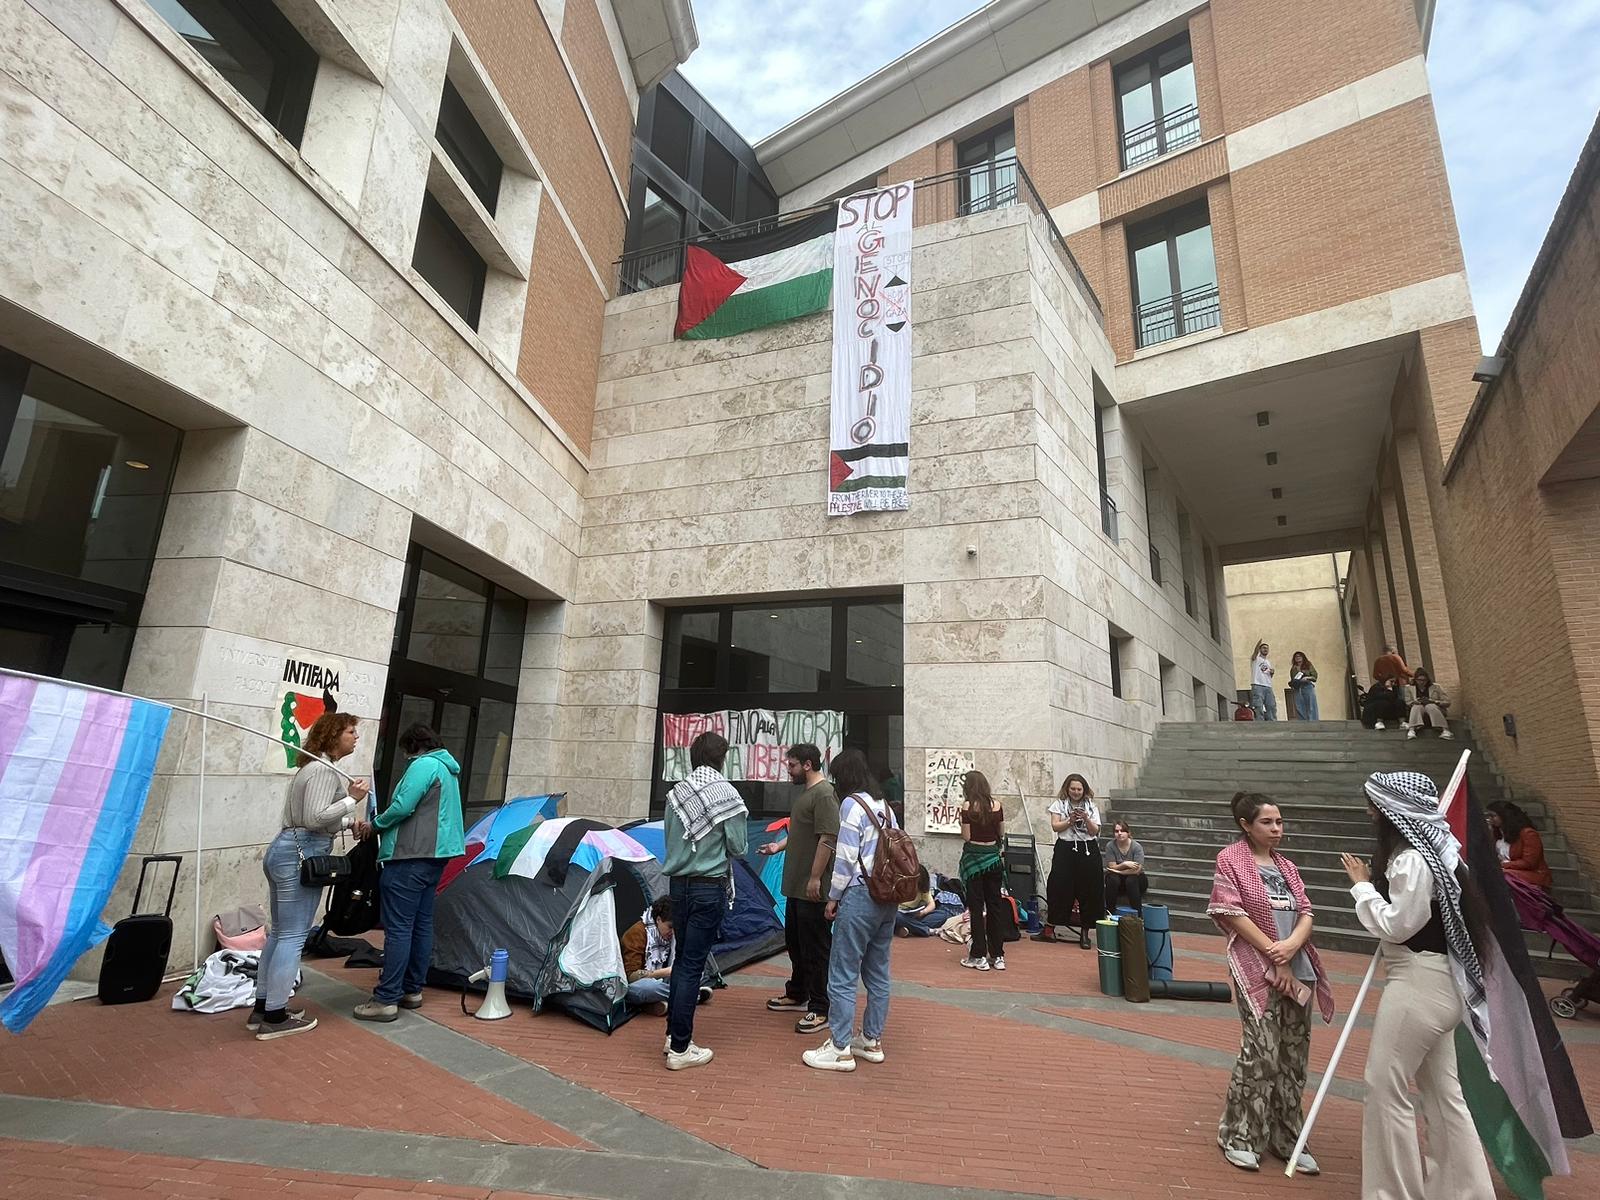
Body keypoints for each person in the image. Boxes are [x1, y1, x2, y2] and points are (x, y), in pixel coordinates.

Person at [1340, 771, 1496, 1200]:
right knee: (1444, 1094)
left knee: (1384, 1084)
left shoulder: (1413, 858)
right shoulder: (1440, 852)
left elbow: (1398, 924)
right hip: (1439, 984)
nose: (1370, 813)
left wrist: (1362, 890)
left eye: (1374, 806)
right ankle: (1465, 1191)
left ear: (1391, 812)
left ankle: (1393, 1192)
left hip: (1418, 982)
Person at [1208, 791, 1333, 1174]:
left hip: (1299, 970)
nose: (1276, 829)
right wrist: (1273, 952)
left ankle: (1288, 1136)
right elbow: (1229, 911)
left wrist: (1293, 945)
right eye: (1267, 822)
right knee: (1261, 1051)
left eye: (1279, 821)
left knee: (1293, 1057)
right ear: (1246, 825)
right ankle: (1240, 1135)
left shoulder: (1287, 867)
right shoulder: (1231, 860)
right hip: (1256, 968)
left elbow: (1306, 912)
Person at [251, 712, 369, 1040]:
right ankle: (274, 1016)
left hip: (289, 850)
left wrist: (347, 822)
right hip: (298, 853)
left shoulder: (314, 768)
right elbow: (315, 818)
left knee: (280, 933)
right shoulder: (321, 770)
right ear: (333, 736)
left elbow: (318, 819)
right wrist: (351, 800)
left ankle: (264, 1006)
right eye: (349, 732)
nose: (355, 737)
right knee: (293, 936)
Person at [353, 723, 465, 1022]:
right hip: (436, 857)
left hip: (411, 855)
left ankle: (386, 998)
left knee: (399, 927)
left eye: (405, 751)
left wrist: (374, 824)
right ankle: (412, 989)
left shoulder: (424, 765)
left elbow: (403, 806)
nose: (404, 757)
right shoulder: (447, 768)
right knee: (421, 924)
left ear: (413, 746)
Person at [803, 748, 896, 1072]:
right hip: (887, 897)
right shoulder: (883, 805)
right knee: (878, 971)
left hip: (859, 894)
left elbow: (845, 857)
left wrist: (833, 896)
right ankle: (871, 1040)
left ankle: (840, 1047)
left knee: (842, 973)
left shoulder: (850, 804)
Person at [661, 731, 748, 1070]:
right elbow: (738, 846)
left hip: (678, 886)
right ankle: (681, 1048)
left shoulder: (676, 794)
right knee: (693, 964)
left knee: (683, 959)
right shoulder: (726, 794)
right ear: (721, 758)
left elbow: (671, 839)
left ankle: (673, 1036)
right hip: (708, 887)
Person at [756, 743, 837, 1035]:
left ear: (806, 764)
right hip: (796, 886)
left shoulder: (825, 795)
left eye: (791, 765)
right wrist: (778, 846)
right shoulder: (807, 795)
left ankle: (820, 1007)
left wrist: (816, 878)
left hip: (811, 888)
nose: (787, 771)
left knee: (816, 948)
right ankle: (798, 992)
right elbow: (802, 832)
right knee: (797, 943)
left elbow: (827, 838)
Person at [1039, 774, 1102, 948]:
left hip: (1087, 850)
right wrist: (1070, 820)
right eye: (1073, 789)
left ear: (1084, 790)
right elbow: (1055, 826)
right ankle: (1050, 928)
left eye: (1079, 789)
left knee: (1088, 890)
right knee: (1058, 886)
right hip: (1065, 849)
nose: (1076, 792)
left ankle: (1085, 932)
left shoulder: (1091, 806)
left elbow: (1094, 831)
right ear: (1067, 788)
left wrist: (1086, 818)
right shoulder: (1059, 805)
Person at [956, 771, 1007, 971]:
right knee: (994, 906)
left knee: (976, 909)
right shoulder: (997, 805)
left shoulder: (967, 806)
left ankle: (978, 955)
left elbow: (966, 836)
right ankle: (998, 955)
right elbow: (1001, 832)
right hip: (993, 859)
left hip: (974, 861)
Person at [622, 897, 676, 1015]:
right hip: (637, 985)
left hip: (662, 982)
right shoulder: (637, 933)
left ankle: (652, 1005)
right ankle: (690, 996)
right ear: (658, 920)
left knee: (695, 972)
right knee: (648, 988)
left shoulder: (671, 935)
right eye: (670, 927)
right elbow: (631, 976)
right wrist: (667, 972)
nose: (673, 931)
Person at [1487, 800, 1553, 891]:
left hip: (1533, 874)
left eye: (1493, 816)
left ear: (1504, 816)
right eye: (1488, 816)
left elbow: (1529, 863)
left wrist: (1503, 865)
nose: (1489, 819)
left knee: (1498, 875)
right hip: (1508, 870)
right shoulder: (1498, 834)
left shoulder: (1528, 834)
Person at [895, 868, 964, 937]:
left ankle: (910, 929)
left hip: (916, 916)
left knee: (942, 915)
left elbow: (932, 905)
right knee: (896, 916)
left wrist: (923, 912)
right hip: (901, 916)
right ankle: (926, 930)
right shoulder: (897, 888)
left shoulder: (922, 890)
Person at [1103, 821, 1148, 914]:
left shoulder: (1136, 847)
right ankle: (1109, 912)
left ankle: (1138, 915)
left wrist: (1119, 871)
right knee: (1112, 879)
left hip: (1137, 880)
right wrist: (1124, 864)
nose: (1119, 833)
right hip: (1119, 882)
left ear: (1128, 833)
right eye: (1116, 831)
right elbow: (1111, 866)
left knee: (1131, 880)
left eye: (1122, 831)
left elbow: (1136, 871)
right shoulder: (1110, 846)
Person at [1403, 669, 1452, 740]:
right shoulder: (1409, 688)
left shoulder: (1436, 687)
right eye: (1419, 680)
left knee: (1430, 706)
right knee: (1417, 706)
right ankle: (1412, 729)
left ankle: (1445, 730)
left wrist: (1434, 701)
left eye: (1424, 680)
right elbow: (1408, 702)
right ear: (1415, 679)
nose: (1422, 682)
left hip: (1435, 710)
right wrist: (1415, 702)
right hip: (1418, 712)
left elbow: (1447, 702)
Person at [1250, 641, 1278, 721]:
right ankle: (1260, 721)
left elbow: (1268, 675)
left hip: (1268, 686)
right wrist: (1258, 644)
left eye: (1267, 648)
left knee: (1271, 705)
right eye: (1264, 648)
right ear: (1260, 649)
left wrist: (1272, 673)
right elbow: (1255, 653)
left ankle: (1272, 721)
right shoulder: (1255, 659)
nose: (1266, 649)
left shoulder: (1268, 662)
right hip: (1257, 685)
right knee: (1258, 705)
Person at [1288, 652, 1319, 721]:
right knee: (1299, 706)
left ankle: (1313, 722)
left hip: (1307, 686)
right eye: (1296, 657)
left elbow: (1315, 676)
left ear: (1303, 657)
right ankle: (1303, 723)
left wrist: (1307, 678)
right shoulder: (1293, 668)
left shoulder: (1308, 665)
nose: (1298, 657)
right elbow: (1293, 679)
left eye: (1299, 656)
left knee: (1311, 705)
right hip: (1297, 688)